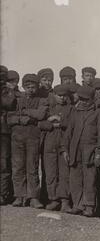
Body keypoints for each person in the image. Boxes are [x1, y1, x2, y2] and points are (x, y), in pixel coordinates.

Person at [61, 86, 100, 217]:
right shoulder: (75, 112)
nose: (83, 102)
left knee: (89, 180)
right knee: (75, 179)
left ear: (92, 99)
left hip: (90, 152)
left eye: (86, 99)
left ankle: (89, 206)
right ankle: (77, 205)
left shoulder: (98, 113)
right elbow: (68, 133)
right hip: (75, 151)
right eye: (81, 99)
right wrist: (65, 149)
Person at [7, 74, 48, 208]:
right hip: (17, 137)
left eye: (33, 87)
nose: (31, 89)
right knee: (18, 166)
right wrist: (23, 119)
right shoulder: (17, 99)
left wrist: (25, 112)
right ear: (24, 87)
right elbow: (9, 118)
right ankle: (19, 196)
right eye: (28, 87)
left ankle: (34, 197)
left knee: (32, 166)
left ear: (37, 87)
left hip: (33, 137)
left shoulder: (42, 100)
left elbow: (41, 115)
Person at [38, 84, 73, 211]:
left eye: (64, 96)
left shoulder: (71, 109)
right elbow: (39, 123)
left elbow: (72, 123)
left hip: (65, 143)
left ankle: (65, 201)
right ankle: (53, 199)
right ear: (54, 95)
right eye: (59, 95)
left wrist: (60, 121)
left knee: (64, 172)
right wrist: (50, 123)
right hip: (49, 143)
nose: (62, 98)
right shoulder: (48, 108)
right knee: (51, 172)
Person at [0, 67, 17, 205]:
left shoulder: (8, 92)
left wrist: (7, 90)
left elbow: (8, 103)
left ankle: (3, 194)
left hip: (3, 131)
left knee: (4, 163)